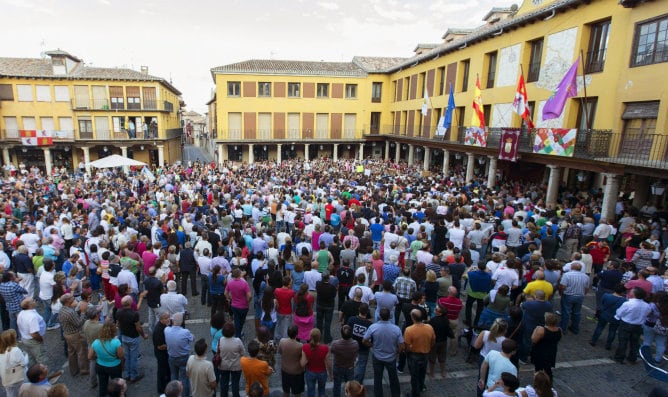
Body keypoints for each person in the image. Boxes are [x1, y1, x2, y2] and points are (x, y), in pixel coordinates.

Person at [363, 308, 403, 397]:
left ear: (379, 316)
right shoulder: (396, 329)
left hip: (377, 356)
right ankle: (396, 394)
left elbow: (364, 340)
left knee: (377, 378)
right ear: (389, 316)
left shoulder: (373, 327)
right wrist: (397, 352)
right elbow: (401, 345)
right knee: (393, 378)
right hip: (391, 357)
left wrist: (372, 345)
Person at [613, 287, 651, 364]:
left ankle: (619, 357)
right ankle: (632, 358)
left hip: (626, 324)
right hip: (638, 326)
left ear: (634, 294)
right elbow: (647, 314)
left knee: (623, 341)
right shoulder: (647, 306)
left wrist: (617, 317)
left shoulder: (628, 304)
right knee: (634, 342)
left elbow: (619, 313)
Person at [88, 321, 125, 397]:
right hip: (114, 366)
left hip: (100, 365)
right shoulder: (116, 342)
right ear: (113, 331)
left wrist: (98, 357)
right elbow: (121, 356)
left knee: (102, 385)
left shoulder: (96, 342)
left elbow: (90, 357)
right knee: (117, 386)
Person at [115, 295, 147, 383]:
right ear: (130, 303)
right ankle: (134, 375)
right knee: (133, 357)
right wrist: (144, 335)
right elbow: (138, 328)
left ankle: (127, 374)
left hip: (124, 336)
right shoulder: (134, 314)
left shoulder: (119, 312)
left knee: (127, 356)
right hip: (133, 337)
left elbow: (117, 324)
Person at [404, 309, 435, 397]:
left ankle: (415, 394)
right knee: (422, 372)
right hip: (425, 354)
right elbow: (433, 341)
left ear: (413, 318)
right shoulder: (429, 327)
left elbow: (407, 346)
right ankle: (421, 386)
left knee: (414, 376)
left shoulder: (409, 330)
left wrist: (408, 351)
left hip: (414, 356)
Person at [58, 293, 89, 377]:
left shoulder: (61, 310)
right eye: (72, 297)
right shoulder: (70, 312)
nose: (73, 298)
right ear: (67, 301)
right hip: (75, 334)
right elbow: (78, 323)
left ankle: (73, 370)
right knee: (81, 352)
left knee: (71, 353)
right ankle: (84, 369)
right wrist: (82, 313)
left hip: (66, 333)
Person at [164, 312, 193, 397]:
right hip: (183, 357)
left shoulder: (166, 330)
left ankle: (173, 393)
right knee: (185, 378)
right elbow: (192, 338)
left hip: (172, 357)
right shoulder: (185, 332)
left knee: (174, 375)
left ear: (172, 321)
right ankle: (185, 395)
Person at [590, 283, 626, 349]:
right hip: (615, 317)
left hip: (605, 314)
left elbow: (602, 303)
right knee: (612, 331)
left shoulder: (606, 295)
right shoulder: (624, 300)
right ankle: (608, 345)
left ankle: (593, 340)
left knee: (599, 327)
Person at [558, 262, 589, 335]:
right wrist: (583, 294)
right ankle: (575, 328)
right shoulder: (586, 276)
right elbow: (586, 288)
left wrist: (561, 293)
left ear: (572, 268)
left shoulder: (567, 275)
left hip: (568, 295)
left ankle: (563, 328)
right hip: (580, 296)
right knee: (577, 313)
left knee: (566, 312)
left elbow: (563, 286)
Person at [530, 312, 562, 382]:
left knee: (538, 369)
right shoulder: (559, 330)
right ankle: (548, 382)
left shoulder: (541, 330)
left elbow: (533, 340)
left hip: (540, 352)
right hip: (551, 352)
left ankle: (539, 384)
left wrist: (535, 330)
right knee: (548, 368)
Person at [300, 328, 332, 397]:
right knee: (322, 391)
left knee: (310, 391)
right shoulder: (325, 348)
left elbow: (302, 364)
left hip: (310, 372)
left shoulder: (305, 347)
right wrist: (331, 374)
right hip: (322, 372)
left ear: (310, 337)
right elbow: (328, 364)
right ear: (319, 337)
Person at [17, 298, 46, 367]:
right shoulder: (32, 317)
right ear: (29, 305)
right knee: (41, 358)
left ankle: (33, 374)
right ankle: (45, 376)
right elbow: (34, 333)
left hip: (25, 338)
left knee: (31, 358)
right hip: (33, 340)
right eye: (33, 300)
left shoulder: (21, 313)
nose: (35, 301)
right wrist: (40, 340)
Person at [330, 325, 359, 397]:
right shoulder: (355, 344)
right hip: (350, 367)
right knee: (350, 386)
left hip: (338, 366)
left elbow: (332, 351)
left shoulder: (335, 344)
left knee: (337, 385)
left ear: (341, 334)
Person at [218, 322, 245, 397]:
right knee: (235, 383)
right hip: (236, 366)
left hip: (223, 365)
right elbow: (243, 352)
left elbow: (219, 351)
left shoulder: (221, 340)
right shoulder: (238, 341)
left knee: (224, 382)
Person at [427, 303, 454, 378]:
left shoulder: (433, 321)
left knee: (432, 358)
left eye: (436, 310)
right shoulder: (446, 320)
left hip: (434, 342)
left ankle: (431, 372)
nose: (434, 311)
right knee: (442, 357)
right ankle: (443, 371)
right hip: (443, 341)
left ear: (439, 313)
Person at [348, 303, 372, 383]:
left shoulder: (352, 319)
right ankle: (358, 382)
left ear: (359, 310)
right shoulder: (369, 324)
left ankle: (349, 379)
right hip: (363, 348)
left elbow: (347, 330)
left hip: (352, 345)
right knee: (361, 365)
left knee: (350, 363)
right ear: (367, 312)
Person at [278, 325, 305, 397]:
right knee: (297, 393)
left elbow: (280, 352)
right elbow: (303, 359)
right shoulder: (300, 346)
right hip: (297, 372)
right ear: (297, 334)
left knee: (286, 391)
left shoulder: (282, 341)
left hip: (285, 370)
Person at [0, 329, 28, 397]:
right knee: (22, 392)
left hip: (5, 378)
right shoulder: (15, 350)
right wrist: (26, 356)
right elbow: (23, 364)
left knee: (10, 393)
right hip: (18, 377)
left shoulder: (1, 350)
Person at [225, 268, 251, 338]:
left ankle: (237, 333)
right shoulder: (244, 283)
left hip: (234, 305)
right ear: (239, 274)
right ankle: (238, 334)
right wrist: (248, 301)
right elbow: (249, 295)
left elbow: (225, 293)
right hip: (243, 306)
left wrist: (229, 299)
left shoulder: (230, 282)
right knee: (242, 321)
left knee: (237, 320)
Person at [465, 262, 492, 328]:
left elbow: (464, 275)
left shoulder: (472, 274)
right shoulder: (488, 276)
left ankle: (468, 321)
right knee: (480, 309)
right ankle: (476, 323)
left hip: (472, 293)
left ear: (478, 267)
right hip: (482, 295)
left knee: (468, 306)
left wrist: (469, 269)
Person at [153, 311, 172, 395]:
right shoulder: (158, 330)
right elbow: (160, 346)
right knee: (162, 371)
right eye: (166, 318)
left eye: (169, 317)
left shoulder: (164, 326)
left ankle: (168, 384)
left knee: (167, 370)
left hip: (165, 353)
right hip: (161, 354)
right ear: (161, 319)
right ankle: (161, 389)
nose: (168, 319)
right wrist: (171, 345)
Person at [315, 272, 337, 344]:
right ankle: (327, 338)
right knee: (327, 322)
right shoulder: (332, 287)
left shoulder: (318, 284)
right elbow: (334, 296)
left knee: (319, 321)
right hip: (329, 306)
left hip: (320, 305)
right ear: (328, 278)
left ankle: (318, 336)